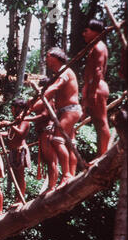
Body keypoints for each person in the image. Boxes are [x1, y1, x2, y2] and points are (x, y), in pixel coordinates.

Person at [44, 47, 81, 187]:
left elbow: (55, 88)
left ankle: (66, 175)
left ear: (55, 57)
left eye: (48, 57)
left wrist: (39, 98)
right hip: (67, 111)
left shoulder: (65, 71)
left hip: (70, 111)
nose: (47, 60)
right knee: (70, 143)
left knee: (57, 140)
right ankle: (71, 173)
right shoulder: (60, 72)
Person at [24, 78, 59, 194]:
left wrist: (27, 118)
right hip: (43, 132)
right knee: (49, 160)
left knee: (51, 160)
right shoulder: (42, 99)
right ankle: (51, 185)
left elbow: (44, 115)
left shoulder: (48, 99)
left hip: (47, 131)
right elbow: (32, 106)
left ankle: (52, 186)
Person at [82, 19, 110, 158]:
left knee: (101, 121)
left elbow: (98, 70)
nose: (83, 34)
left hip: (98, 87)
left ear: (95, 32)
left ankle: (103, 155)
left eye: (86, 31)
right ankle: (100, 154)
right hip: (94, 86)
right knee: (97, 123)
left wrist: (92, 92)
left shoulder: (99, 47)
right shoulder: (95, 46)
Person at [4, 98, 31, 207]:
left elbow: (20, 133)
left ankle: (20, 198)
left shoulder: (24, 120)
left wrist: (10, 125)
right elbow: (10, 134)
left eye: (13, 107)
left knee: (20, 177)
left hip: (20, 150)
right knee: (16, 176)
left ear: (18, 108)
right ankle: (17, 198)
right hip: (14, 151)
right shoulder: (16, 120)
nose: (11, 110)